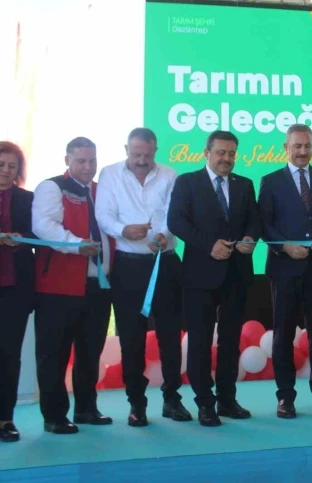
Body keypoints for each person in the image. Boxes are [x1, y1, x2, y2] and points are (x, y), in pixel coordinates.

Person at [95, 128, 190, 427]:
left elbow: (175, 214)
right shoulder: (110, 174)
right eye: (136, 154)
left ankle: (172, 399)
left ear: (155, 151)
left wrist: (163, 235)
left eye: (147, 155)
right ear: (126, 149)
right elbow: (103, 215)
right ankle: (136, 403)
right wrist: (123, 230)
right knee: (131, 338)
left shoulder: (170, 174)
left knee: (170, 336)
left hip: (166, 263)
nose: (141, 160)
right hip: (128, 266)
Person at [168, 130, 261, 427]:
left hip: (237, 274)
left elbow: (254, 220)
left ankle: (227, 400)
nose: (226, 158)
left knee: (231, 341)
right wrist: (209, 245)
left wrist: (250, 238)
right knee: (200, 341)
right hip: (199, 275)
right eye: (221, 152)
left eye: (231, 153)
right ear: (207, 153)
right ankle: (205, 403)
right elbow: (176, 221)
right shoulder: (187, 182)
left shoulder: (245, 184)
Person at [258, 124, 312, 419]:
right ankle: (285, 397)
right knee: (283, 335)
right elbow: (264, 224)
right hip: (285, 269)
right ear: (286, 147)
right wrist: (284, 246)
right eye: (297, 146)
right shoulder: (270, 181)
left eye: (307, 146)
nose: (303, 151)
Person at [32, 137, 113, 434]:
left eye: (92, 160)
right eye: (81, 161)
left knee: (90, 352)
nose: (88, 167)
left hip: (98, 286)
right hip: (58, 287)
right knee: (54, 354)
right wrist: (76, 244)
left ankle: (86, 408)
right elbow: (43, 226)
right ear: (67, 160)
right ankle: (54, 416)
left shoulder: (102, 190)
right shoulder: (51, 187)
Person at [0, 142, 34, 442]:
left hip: (16, 288)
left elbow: (39, 233)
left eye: (12, 166)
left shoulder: (27, 199)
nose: (6, 171)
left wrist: (21, 237)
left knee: (10, 355)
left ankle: (5, 419)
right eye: (1, 165)